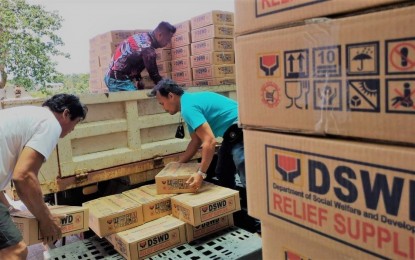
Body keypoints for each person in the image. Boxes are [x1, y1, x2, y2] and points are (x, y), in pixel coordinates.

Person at [0, 94, 88, 259]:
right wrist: (46, 219)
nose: (73, 129)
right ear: (66, 114)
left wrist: (10, 209)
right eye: (75, 123)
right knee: (15, 250)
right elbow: (24, 176)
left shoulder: (29, 116)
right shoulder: (50, 124)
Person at [151, 79, 245, 190]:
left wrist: (201, 173)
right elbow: (196, 141)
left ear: (171, 96)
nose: (163, 108)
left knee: (246, 173)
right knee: (222, 172)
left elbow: (209, 141)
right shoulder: (187, 103)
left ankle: (256, 204)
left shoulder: (188, 107)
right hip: (231, 133)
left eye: (162, 103)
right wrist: (179, 164)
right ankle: (232, 203)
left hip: (241, 128)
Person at [104, 21, 176, 92]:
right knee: (137, 101)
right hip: (117, 80)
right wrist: (170, 90)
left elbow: (132, 60)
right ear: (160, 35)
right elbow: (155, 76)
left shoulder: (144, 37)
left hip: (112, 76)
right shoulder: (148, 50)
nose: (168, 43)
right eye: (168, 39)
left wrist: (138, 79)